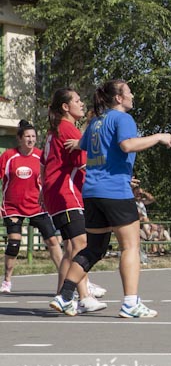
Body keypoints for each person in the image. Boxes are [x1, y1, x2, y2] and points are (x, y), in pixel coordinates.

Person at [50, 79, 171, 317]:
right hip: (115, 191)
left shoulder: (97, 121)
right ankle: (130, 303)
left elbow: (83, 143)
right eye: (129, 92)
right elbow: (126, 145)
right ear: (118, 98)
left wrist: (78, 144)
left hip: (92, 193)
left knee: (94, 249)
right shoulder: (122, 119)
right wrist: (159, 136)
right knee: (131, 247)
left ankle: (64, 296)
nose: (132, 95)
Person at [41, 88, 107, 313]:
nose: (82, 103)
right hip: (66, 194)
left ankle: (63, 296)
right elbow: (85, 163)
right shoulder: (68, 129)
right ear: (65, 107)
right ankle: (84, 296)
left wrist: (43, 190)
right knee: (82, 245)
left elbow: (44, 163)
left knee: (71, 248)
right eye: (77, 100)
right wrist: (114, 173)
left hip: (57, 194)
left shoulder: (54, 130)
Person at [0, 120, 63, 294]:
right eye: (27, 136)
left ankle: (65, 277)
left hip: (37, 206)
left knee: (52, 240)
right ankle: (7, 280)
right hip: (12, 206)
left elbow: (50, 178)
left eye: (33, 136)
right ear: (19, 138)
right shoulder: (8, 156)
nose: (31, 139)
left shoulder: (40, 156)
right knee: (14, 242)